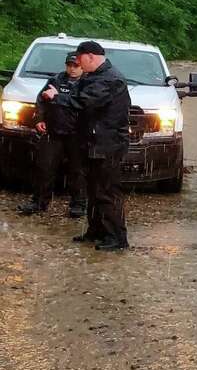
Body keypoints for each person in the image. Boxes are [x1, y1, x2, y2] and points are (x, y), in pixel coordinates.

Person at [41, 41, 131, 251]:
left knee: (106, 192)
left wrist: (57, 97)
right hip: (92, 142)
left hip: (108, 144)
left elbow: (83, 102)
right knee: (93, 190)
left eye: (80, 60)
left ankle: (117, 237)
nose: (78, 65)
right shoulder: (95, 76)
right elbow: (79, 99)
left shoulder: (110, 79)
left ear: (90, 57)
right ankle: (96, 231)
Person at [17, 52, 87, 218]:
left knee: (78, 171)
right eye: (69, 65)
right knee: (44, 167)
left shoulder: (88, 84)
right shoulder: (55, 80)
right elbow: (41, 100)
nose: (72, 69)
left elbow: (87, 105)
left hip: (77, 134)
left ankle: (78, 205)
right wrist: (39, 119)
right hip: (54, 131)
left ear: (83, 67)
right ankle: (38, 202)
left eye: (76, 66)